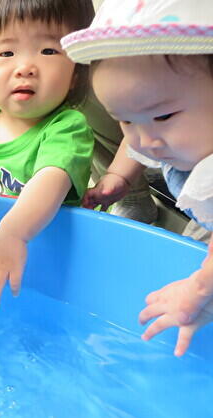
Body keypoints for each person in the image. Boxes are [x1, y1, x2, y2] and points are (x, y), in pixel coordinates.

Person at [62, 0, 213, 356]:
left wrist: (198, 291)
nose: (144, 139)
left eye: (163, 117)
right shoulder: (157, 131)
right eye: (126, 120)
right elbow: (136, 148)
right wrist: (119, 178)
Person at [0, 0, 95, 311]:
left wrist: (13, 234)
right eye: (7, 53)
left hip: (36, 255)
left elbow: (51, 179)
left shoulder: (68, 127)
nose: (25, 67)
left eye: (47, 51)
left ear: (76, 73)